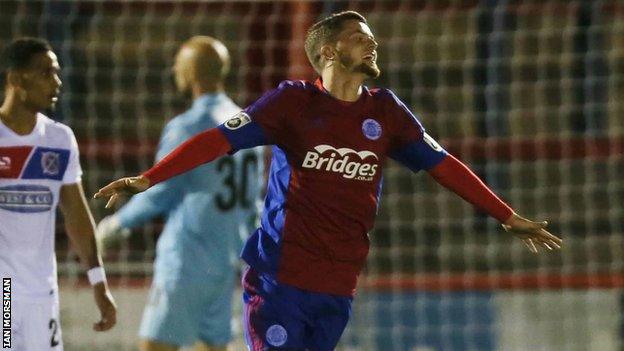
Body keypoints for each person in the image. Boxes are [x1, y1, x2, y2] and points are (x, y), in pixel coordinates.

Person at [94, 11, 562, 351]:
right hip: (280, 280)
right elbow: (218, 141)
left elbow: (444, 166)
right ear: (328, 51)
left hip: (338, 285)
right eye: (360, 37)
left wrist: (505, 215)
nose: (372, 44)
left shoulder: (386, 112)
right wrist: (148, 178)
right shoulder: (292, 104)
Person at [95, 36, 264, 351]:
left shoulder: (189, 126)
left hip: (187, 260)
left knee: (156, 347)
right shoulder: (249, 126)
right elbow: (255, 202)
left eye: (179, 66)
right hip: (226, 264)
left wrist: (117, 225)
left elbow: (160, 191)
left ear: (190, 74)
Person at [0, 37, 116, 351]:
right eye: (45, 73)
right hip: (4, 294)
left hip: (42, 293)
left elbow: (77, 214)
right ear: (16, 80)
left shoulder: (59, 139)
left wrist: (98, 281)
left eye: (56, 72)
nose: (57, 81)